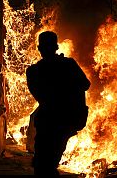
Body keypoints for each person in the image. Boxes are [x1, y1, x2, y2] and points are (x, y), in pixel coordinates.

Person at [26, 31, 91, 177]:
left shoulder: (33, 71)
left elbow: (41, 96)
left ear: (39, 48)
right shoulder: (68, 65)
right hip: (65, 121)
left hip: (49, 122)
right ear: (56, 47)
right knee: (48, 163)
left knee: (42, 164)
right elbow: (85, 84)